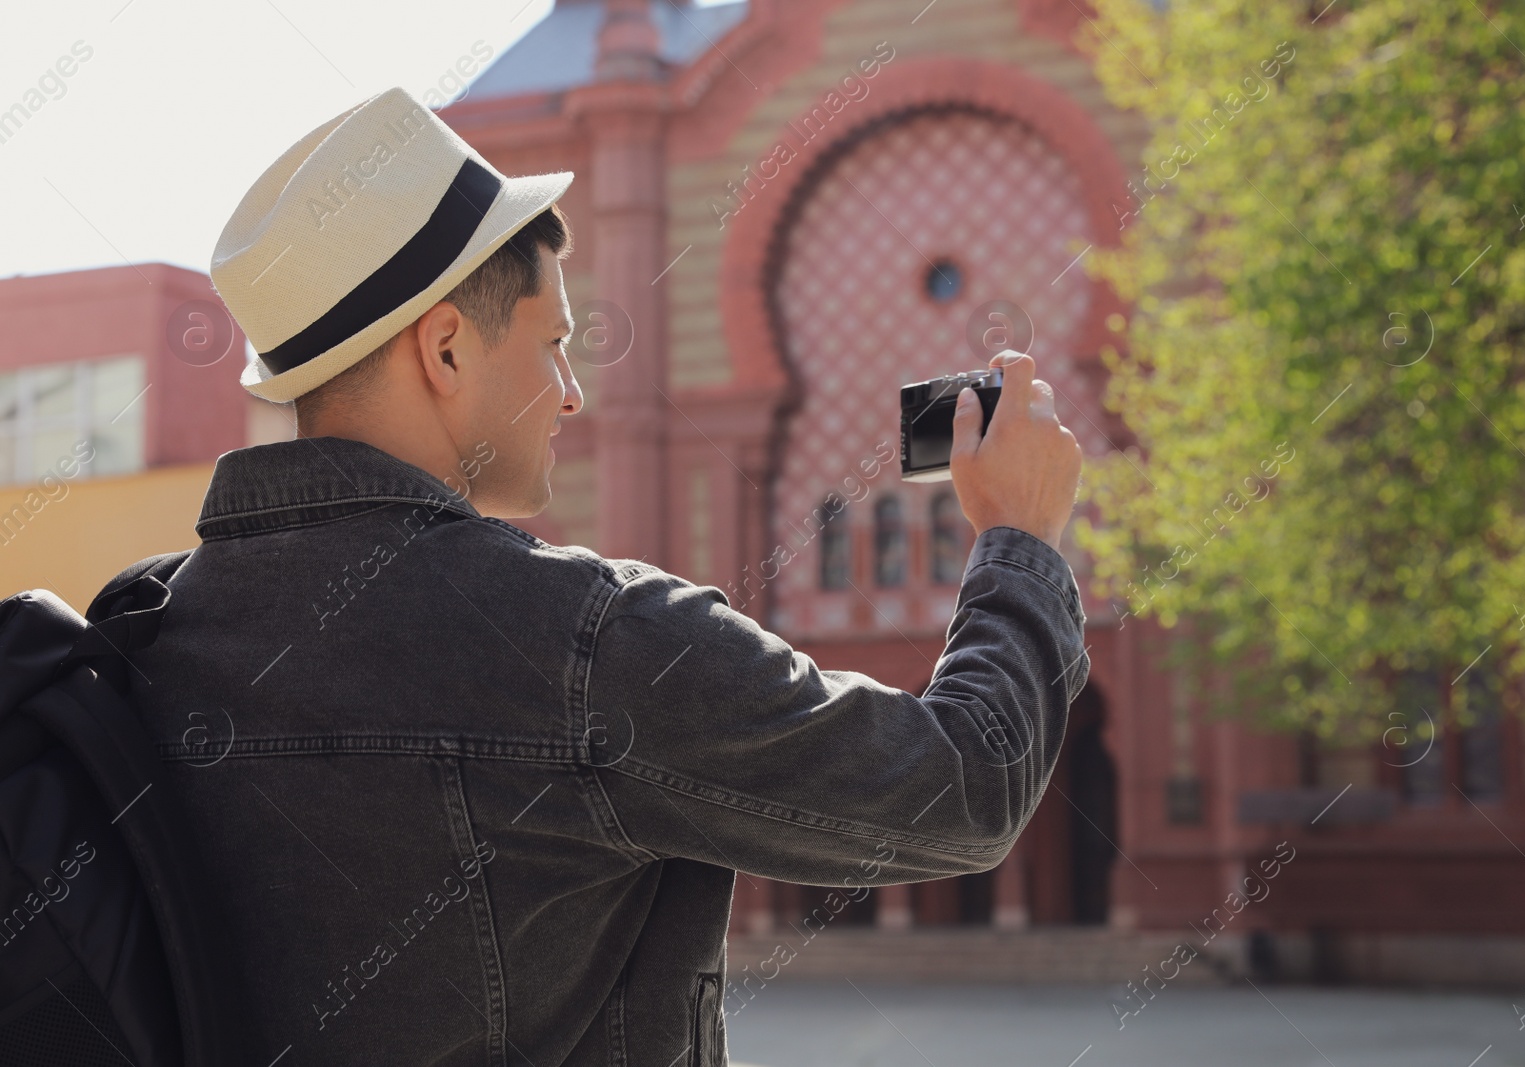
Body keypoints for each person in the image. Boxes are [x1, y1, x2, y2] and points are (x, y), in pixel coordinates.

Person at [111, 87, 1088, 1066]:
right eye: (554, 341)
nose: (572, 393)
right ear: (445, 346)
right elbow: (963, 785)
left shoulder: (138, 634)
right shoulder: (590, 642)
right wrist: (1020, 535)